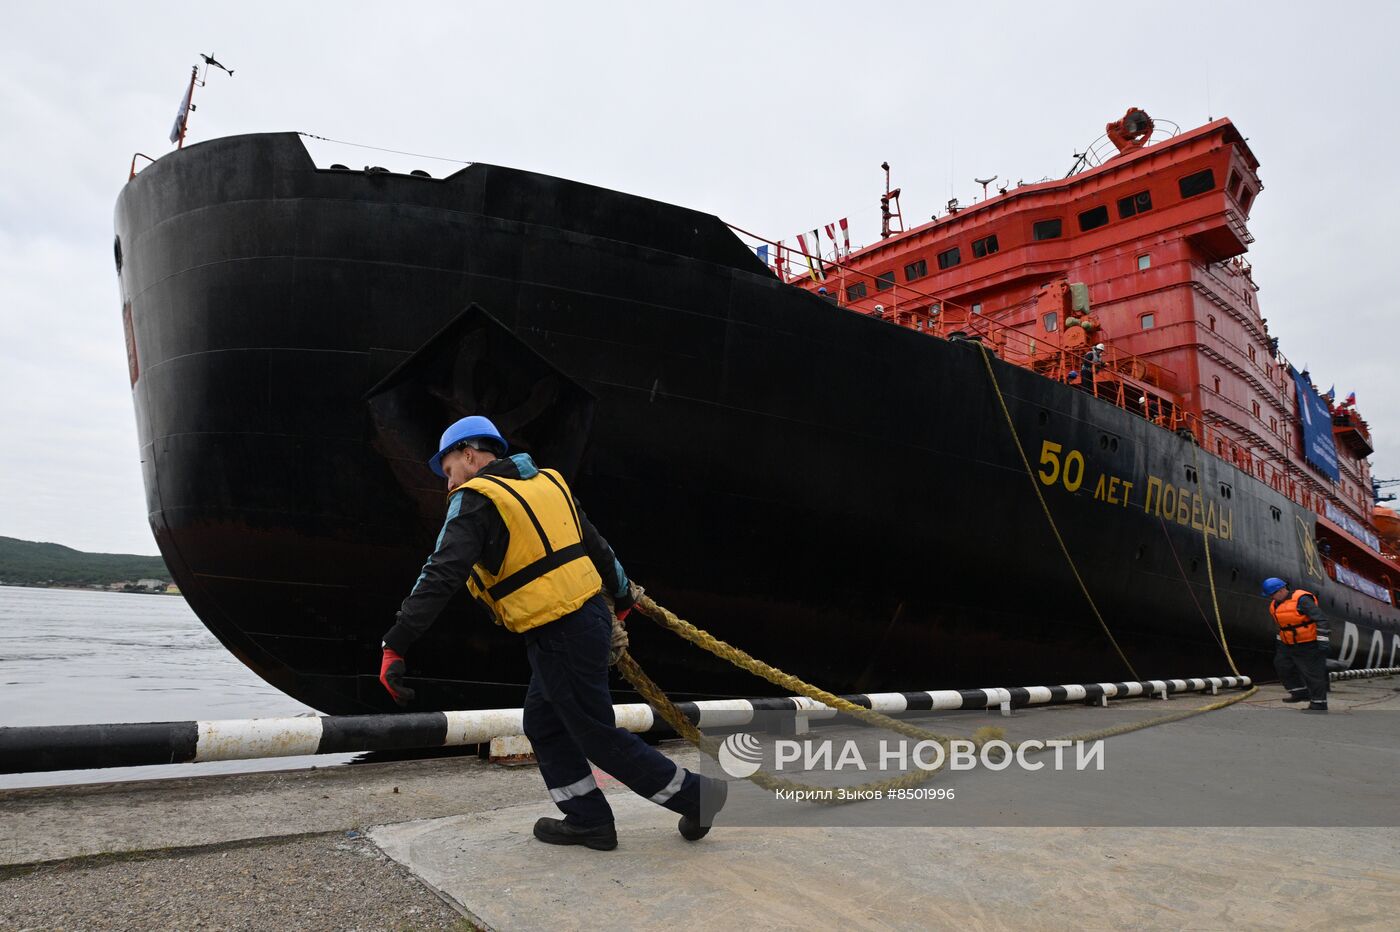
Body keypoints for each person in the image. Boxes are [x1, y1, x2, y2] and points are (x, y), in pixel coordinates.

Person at [378, 415, 728, 850]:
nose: (447, 483)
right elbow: (596, 545)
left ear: (468, 454)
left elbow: (442, 573)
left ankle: (697, 796)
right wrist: (622, 598)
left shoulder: (475, 499)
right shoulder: (549, 483)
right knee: (543, 724)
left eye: (448, 470)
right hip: (581, 624)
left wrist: (397, 642)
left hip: (561, 632)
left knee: (596, 735)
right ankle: (587, 820)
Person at [1262, 577, 1330, 712]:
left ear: (1281, 590)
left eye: (1272, 594)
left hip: (1308, 643)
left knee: (1312, 673)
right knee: (1282, 665)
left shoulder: (1302, 600)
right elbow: (1282, 625)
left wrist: (1322, 641)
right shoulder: (1275, 604)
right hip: (1287, 643)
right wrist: (1280, 641)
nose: (1271, 598)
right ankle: (1300, 693)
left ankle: (1319, 704)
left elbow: (1321, 619)